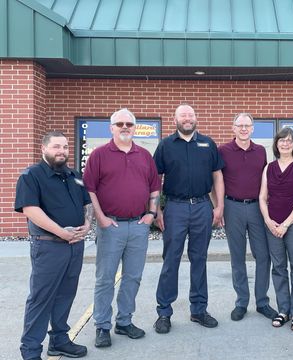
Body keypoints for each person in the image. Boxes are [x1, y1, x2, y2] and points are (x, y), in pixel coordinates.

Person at [83, 108, 160, 348]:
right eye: (120, 124)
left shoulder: (145, 155)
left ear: (134, 127)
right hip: (110, 226)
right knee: (105, 279)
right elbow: (89, 190)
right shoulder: (99, 155)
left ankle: (124, 322)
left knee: (133, 277)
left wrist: (151, 213)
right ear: (111, 128)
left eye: (129, 123)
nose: (125, 127)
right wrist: (100, 218)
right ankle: (102, 326)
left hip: (138, 226)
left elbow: (155, 187)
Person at [15, 131, 92, 360]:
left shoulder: (74, 175)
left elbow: (86, 202)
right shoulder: (31, 176)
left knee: (66, 295)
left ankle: (59, 340)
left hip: (74, 246)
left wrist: (87, 225)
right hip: (49, 247)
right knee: (41, 298)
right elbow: (30, 210)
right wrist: (61, 232)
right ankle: (30, 351)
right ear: (44, 149)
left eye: (66, 147)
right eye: (56, 147)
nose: (62, 151)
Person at [153, 104, 225, 334]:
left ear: (196, 119)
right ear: (175, 119)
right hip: (175, 207)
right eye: (183, 115)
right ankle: (164, 312)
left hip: (203, 207)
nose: (187, 119)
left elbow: (217, 176)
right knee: (170, 260)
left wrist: (219, 206)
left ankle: (199, 309)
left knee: (199, 259)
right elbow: (155, 179)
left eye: (191, 115)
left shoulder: (208, 144)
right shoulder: (165, 146)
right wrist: (156, 210)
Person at [219, 113, 277, 321]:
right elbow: (215, 180)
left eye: (247, 125)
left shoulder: (260, 151)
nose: (244, 129)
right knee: (237, 257)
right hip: (232, 207)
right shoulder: (223, 151)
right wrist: (219, 206)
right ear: (233, 128)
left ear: (252, 129)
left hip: (256, 209)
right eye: (240, 125)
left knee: (263, 256)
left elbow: (266, 181)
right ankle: (241, 302)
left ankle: (262, 302)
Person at [259, 127, 293, 332]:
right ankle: (283, 310)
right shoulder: (268, 168)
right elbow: (262, 198)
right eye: (282, 140)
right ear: (277, 143)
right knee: (278, 267)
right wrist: (269, 221)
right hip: (272, 224)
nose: (285, 143)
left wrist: (286, 224)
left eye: (289, 140)